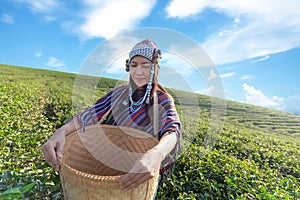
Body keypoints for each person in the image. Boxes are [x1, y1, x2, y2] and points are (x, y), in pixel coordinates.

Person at [41, 39, 181, 193]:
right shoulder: (118, 94)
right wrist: (61, 131)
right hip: (107, 167)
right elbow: (88, 116)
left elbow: (172, 131)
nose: (138, 71)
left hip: (138, 175)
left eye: (145, 65)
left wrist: (156, 154)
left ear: (155, 68)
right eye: (134, 65)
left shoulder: (162, 100)